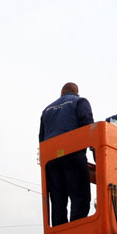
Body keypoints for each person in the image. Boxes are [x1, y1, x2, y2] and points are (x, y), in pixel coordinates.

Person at [39, 82, 93, 226]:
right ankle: (76, 230)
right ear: (77, 93)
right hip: (73, 154)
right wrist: (95, 152)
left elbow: (41, 139)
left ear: (62, 92)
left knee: (58, 199)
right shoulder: (80, 102)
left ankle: (60, 232)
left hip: (51, 159)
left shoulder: (47, 110)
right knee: (80, 195)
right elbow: (88, 125)